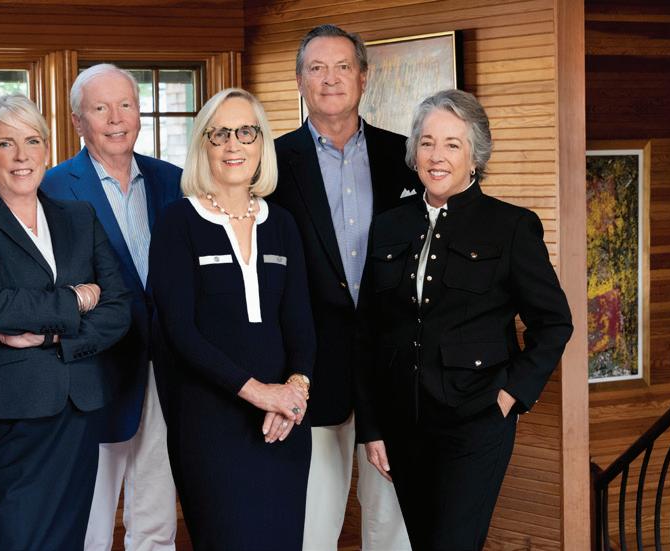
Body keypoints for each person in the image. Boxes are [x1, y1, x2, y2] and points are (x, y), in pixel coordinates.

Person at [355, 89, 574, 550]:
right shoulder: (389, 225)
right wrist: (371, 428)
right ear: (414, 152)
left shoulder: (511, 226)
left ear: (475, 156)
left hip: (476, 421)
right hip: (402, 424)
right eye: (427, 142)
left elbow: (554, 322)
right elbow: (369, 332)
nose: (437, 156)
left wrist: (512, 395)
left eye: (452, 144)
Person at [0, 94, 132, 550]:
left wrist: (52, 338)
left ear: (47, 149)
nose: (22, 156)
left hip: (77, 410)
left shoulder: (78, 217)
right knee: (15, 539)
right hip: (9, 415)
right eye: (6, 143)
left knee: (67, 541)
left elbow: (118, 307)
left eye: (32, 141)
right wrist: (75, 299)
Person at [271, 23, 420, 551]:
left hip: (394, 366)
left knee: (392, 526)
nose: (330, 79)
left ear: (363, 77)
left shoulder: (405, 157)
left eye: (342, 67)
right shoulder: (271, 163)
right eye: (316, 68)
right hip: (310, 367)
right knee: (312, 527)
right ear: (300, 81)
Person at [148, 88, 315, 551]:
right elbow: (180, 333)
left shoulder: (282, 224)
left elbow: (301, 324)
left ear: (262, 143)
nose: (233, 145)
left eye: (246, 132)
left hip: (283, 425)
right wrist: (260, 393)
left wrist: (294, 393)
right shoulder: (177, 223)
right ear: (203, 144)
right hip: (210, 427)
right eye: (219, 134)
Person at [41, 63, 181, 551]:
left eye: (126, 105)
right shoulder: (52, 188)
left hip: (167, 369)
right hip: (93, 374)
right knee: (90, 525)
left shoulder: (172, 181)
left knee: (156, 518)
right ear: (78, 121)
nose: (116, 118)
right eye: (101, 108)